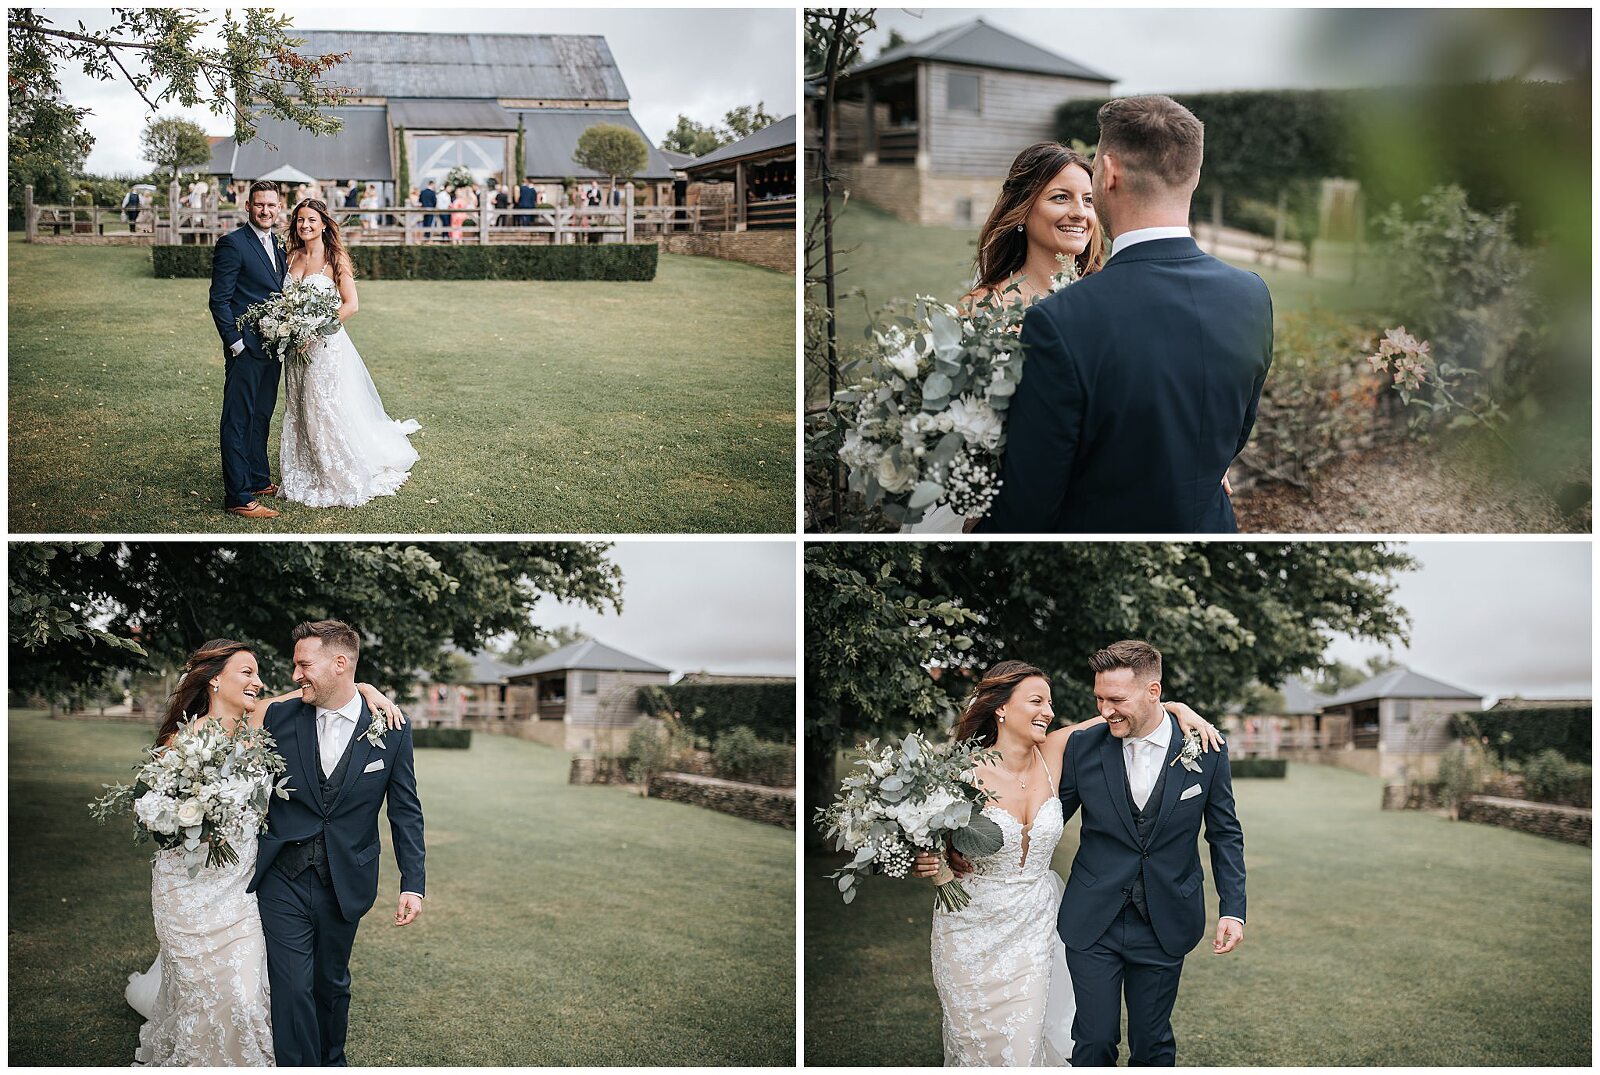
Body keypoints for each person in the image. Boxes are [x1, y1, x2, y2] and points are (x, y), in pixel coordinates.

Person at [979, 95, 1273, 534]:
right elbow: (1232, 433)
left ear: (1109, 172)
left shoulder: (1060, 322)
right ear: (1194, 176)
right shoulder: (1252, 295)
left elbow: (1030, 503)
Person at [911, 658, 1223, 1066]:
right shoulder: (957, 772)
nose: (1049, 711)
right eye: (1037, 701)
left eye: (1050, 702)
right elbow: (928, 838)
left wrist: (1179, 709)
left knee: (1032, 1031)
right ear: (1001, 707)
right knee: (977, 1036)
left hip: (1036, 923)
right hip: (971, 925)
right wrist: (932, 865)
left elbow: (1134, 714)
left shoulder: (1055, 752)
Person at [126, 638, 404, 1065]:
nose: (259, 682)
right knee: (215, 990)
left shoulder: (257, 723)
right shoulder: (186, 737)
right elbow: (149, 804)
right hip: (191, 882)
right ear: (216, 680)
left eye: (258, 674)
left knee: (248, 987)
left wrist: (365, 687)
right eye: (248, 673)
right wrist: (183, 821)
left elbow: (319, 691)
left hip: (244, 882)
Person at [903, 142, 1106, 535]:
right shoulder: (979, 308)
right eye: (1060, 197)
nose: (1079, 213)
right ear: (1023, 209)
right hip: (998, 502)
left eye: (1089, 200)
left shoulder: (1111, 303)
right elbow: (942, 415)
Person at [248, 620, 426, 1066]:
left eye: (304, 665)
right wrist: (366, 685)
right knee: (291, 987)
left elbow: (404, 809)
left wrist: (413, 883)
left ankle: (332, 1061)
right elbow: (247, 710)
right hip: (282, 878)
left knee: (331, 984)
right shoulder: (280, 717)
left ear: (339, 663)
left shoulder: (390, 727)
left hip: (346, 878)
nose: (295, 675)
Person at [279, 199, 420, 507]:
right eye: (300, 220)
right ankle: (304, 467)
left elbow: (351, 305)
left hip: (325, 347)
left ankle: (334, 472)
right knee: (299, 406)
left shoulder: (335, 258)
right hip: (294, 351)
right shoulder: (290, 258)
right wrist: (289, 328)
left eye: (311, 220)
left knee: (323, 406)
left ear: (325, 224)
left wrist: (313, 332)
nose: (305, 225)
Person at [209, 181, 289, 519]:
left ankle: (258, 479)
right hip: (246, 349)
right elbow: (219, 300)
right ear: (248, 206)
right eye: (259, 205)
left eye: (271, 205)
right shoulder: (232, 244)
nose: (266, 211)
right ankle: (239, 496)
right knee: (238, 420)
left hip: (273, 348)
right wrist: (236, 343)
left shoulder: (279, 246)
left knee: (261, 416)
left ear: (279, 207)